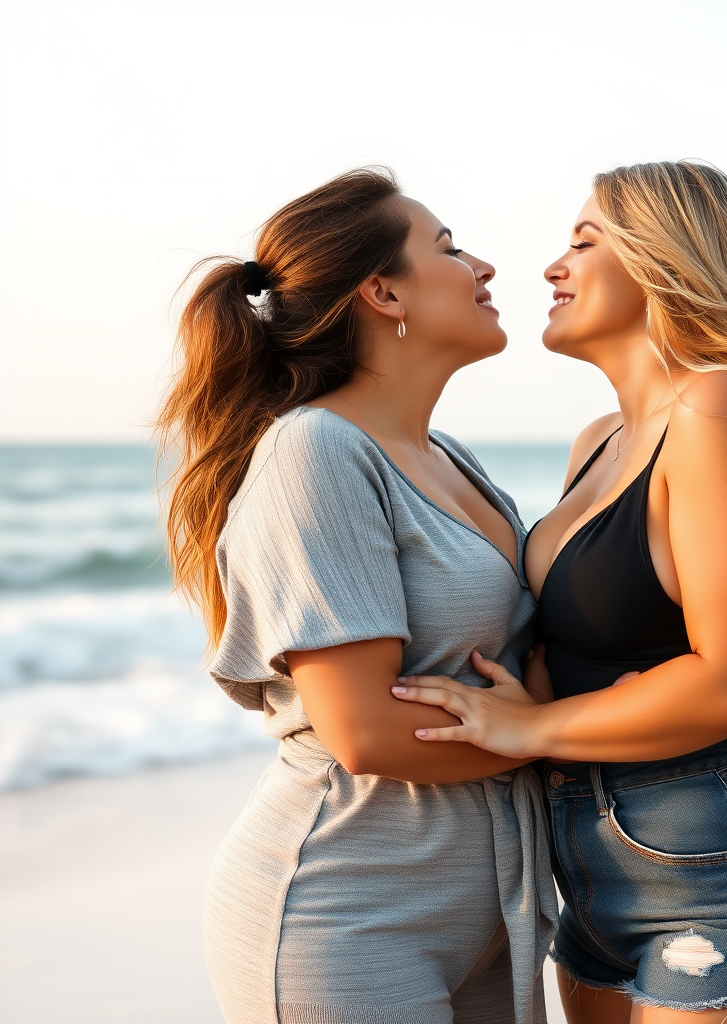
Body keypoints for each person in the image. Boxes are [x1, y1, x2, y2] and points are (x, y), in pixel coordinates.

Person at [392, 160, 727, 1023]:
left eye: (584, 242)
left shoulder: (722, 406)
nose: (552, 268)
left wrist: (534, 726)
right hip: (587, 879)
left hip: (721, 874)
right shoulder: (599, 441)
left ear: (668, 261)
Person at [157, 168, 557, 1024]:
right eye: (448, 248)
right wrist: (544, 734)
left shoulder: (455, 461)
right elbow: (365, 731)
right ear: (382, 291)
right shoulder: (316, 453)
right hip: (348, 915)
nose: (483, 266)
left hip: (492, 910)